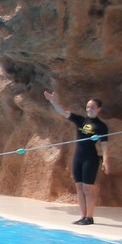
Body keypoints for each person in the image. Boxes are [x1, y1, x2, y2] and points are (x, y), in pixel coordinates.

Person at [44, 90, 110, 225]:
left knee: (88, 188)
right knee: (79, 188)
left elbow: (104, 144)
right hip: (78, 157)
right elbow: (63, 112)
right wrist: (53, 101)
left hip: (90, 158)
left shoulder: (101, 126)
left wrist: (106, 161)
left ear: (98, 109)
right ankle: (83, 216)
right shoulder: (81, 120)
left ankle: (89, 217)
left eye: (92, 107)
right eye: (87, 107)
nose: (89, 109)